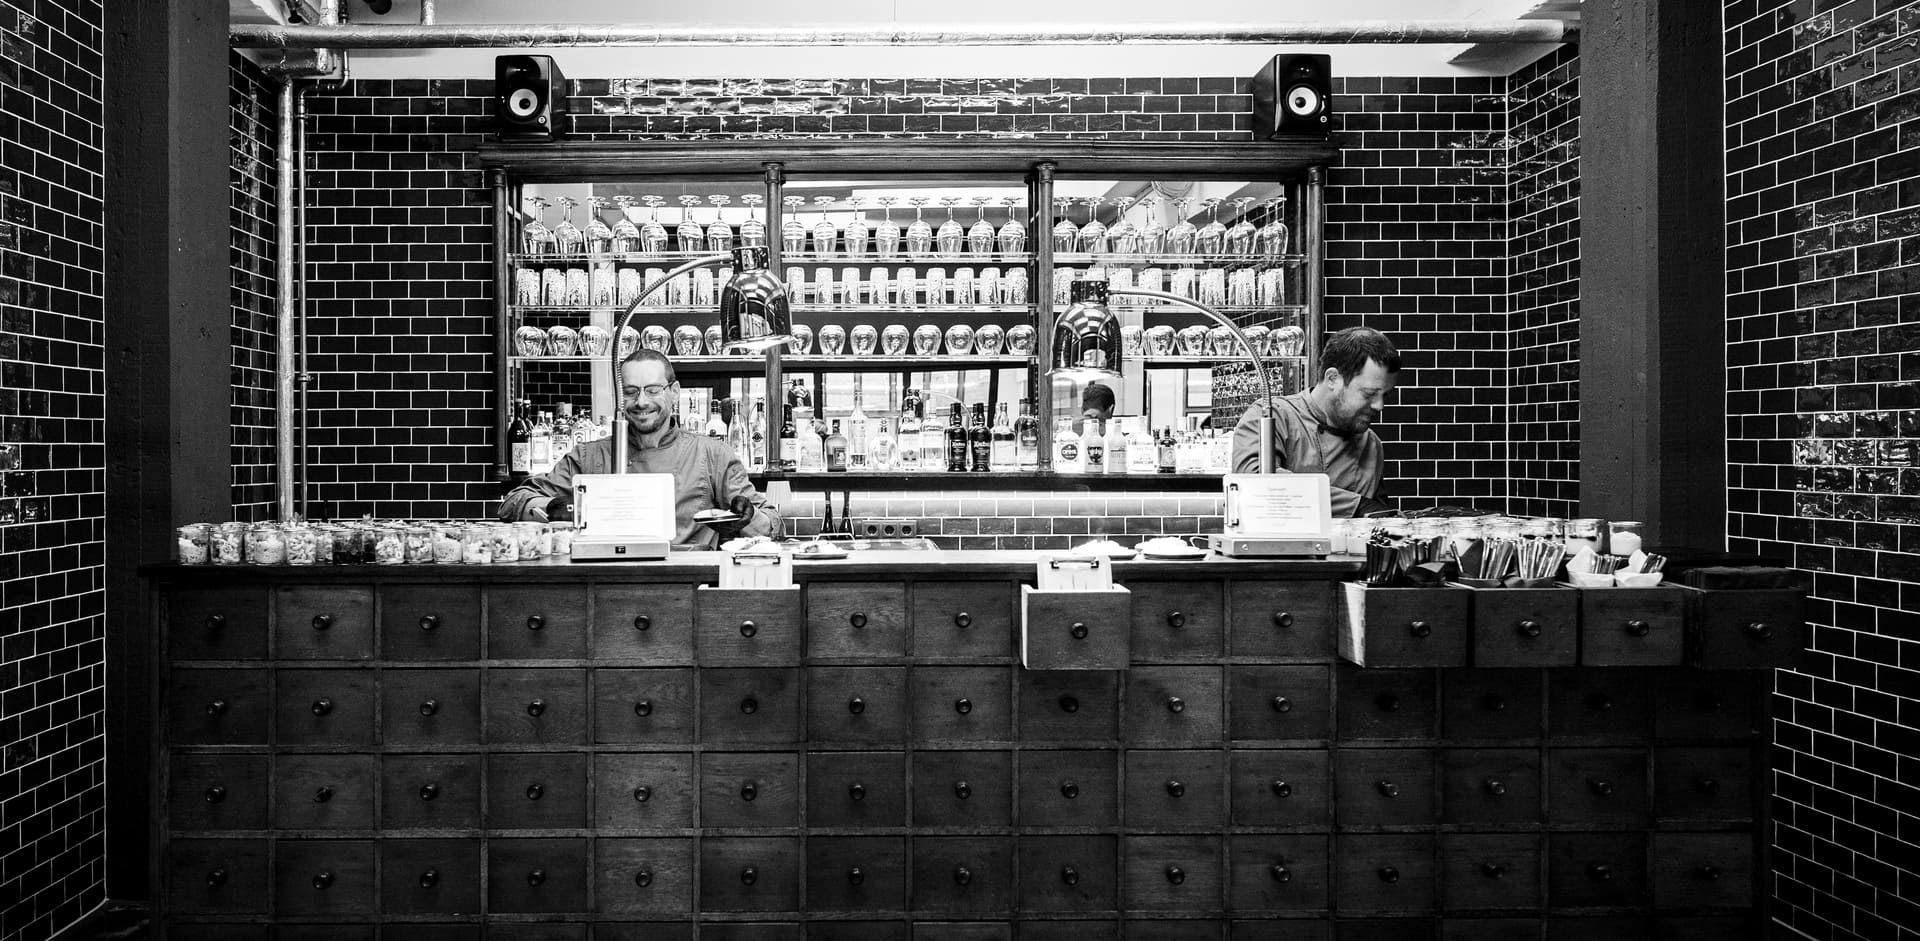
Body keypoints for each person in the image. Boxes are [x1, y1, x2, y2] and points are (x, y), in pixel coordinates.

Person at [499, 348, 780, 548]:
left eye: (653, 390)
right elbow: (513, 502)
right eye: (631, 392)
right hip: (604, 583)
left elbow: (772, 525)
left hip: (686, 584)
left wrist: (747, 516)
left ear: (674, 392)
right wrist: (552, 508)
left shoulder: (712, 454)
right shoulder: (588, 456)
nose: (641, 401)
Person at [1230, 326, 1400, 518]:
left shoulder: (1370, 443)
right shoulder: (1273, 417)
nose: (1379, 405)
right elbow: (1254, 482)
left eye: (1385, 395)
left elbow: (1378, 516)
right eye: (1369, 394)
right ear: (1332, 379)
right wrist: (1357, 505)